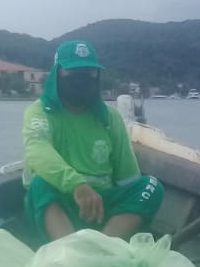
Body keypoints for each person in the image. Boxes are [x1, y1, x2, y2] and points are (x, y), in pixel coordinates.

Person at [22, 40, 163, 241]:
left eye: (89, 73)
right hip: (62, 203)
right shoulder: (39, 112)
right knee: (40, 183)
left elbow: (129, 179)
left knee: (151, 185)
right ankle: (70, 252)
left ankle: (101, 248)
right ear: (56, 74)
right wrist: (76, 185)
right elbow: (37, 149)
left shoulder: (109, 117)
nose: (82, 79)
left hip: (101, 207)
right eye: (73, 72)